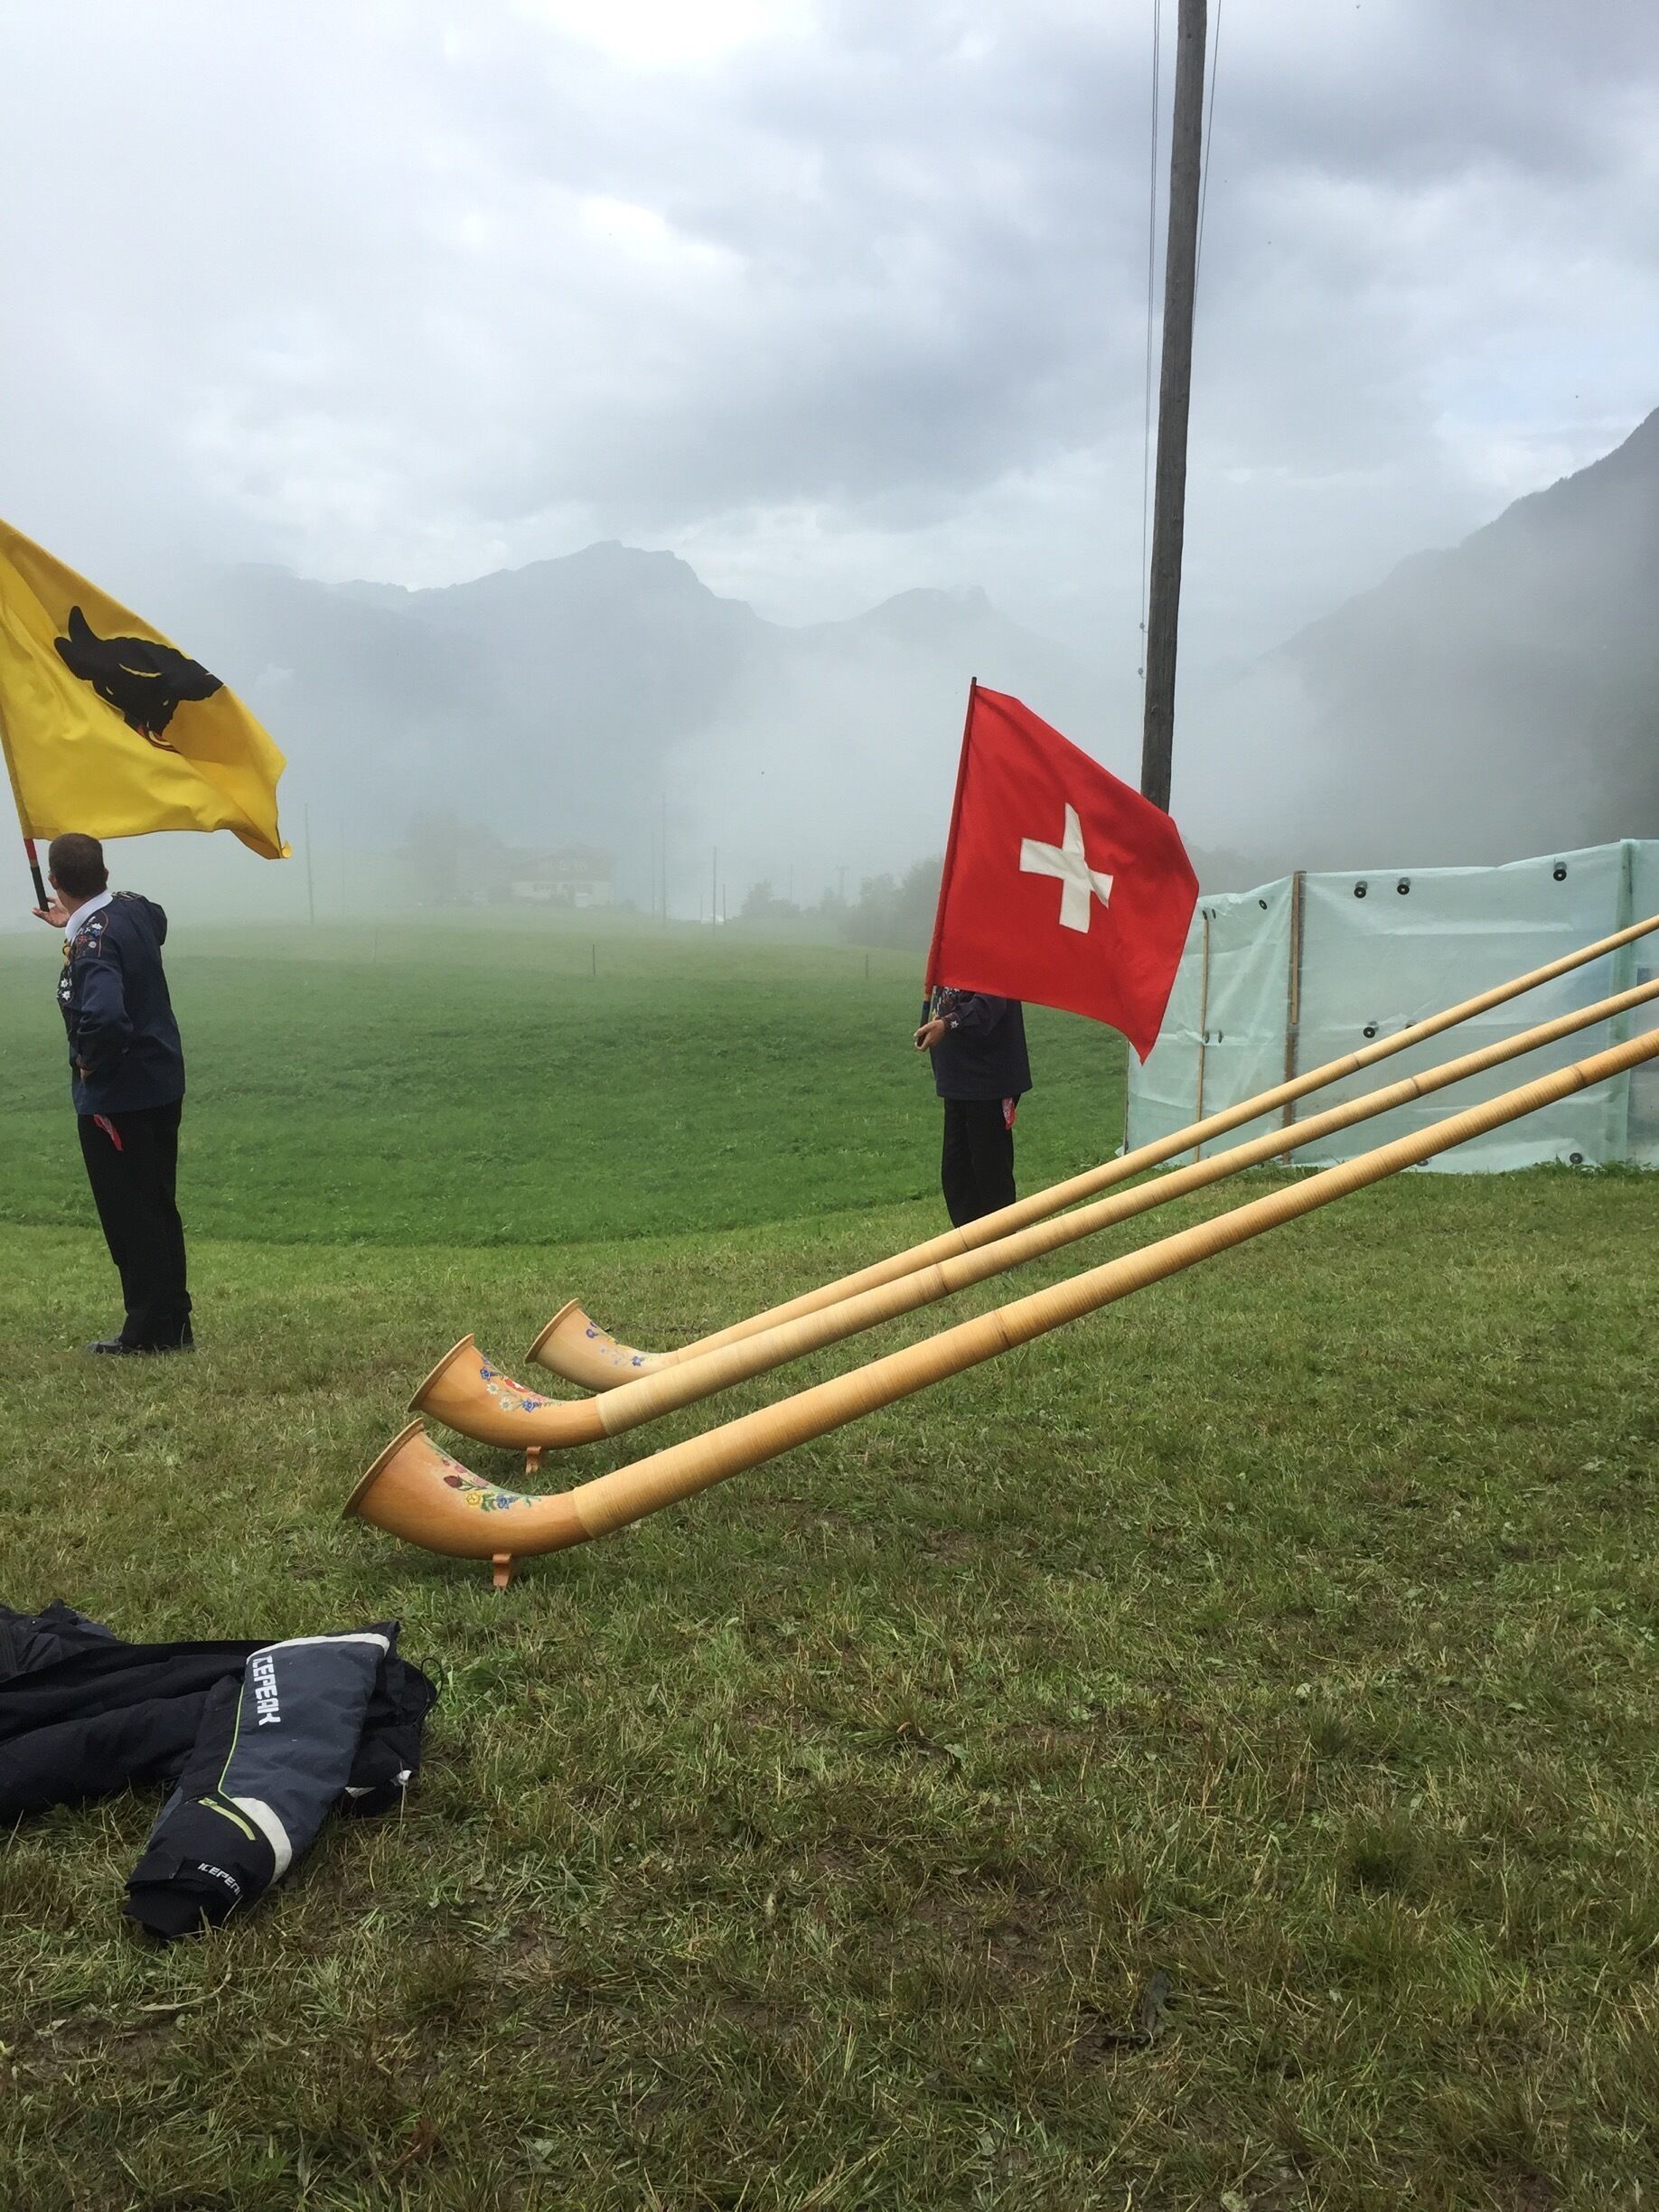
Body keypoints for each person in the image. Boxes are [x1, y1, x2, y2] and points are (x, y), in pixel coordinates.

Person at [33, 833, 193, 1354]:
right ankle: (172, 1324)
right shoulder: (130, 910)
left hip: (118, 1098)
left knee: (131, 1216)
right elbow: (156, 918)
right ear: (104, 874)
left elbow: (103, 1017)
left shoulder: (93, 943)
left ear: (54, 881)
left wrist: (88, 1061)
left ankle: (147, 1333)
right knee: (157, 1207)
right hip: (160, 1082)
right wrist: (78, 919)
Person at [914, 987, 1032, 1227]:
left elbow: (991, 1004)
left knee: (990, 1172)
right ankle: (969, 1242)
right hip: (956, 1079)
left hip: (988, 1079)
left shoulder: (994, 961)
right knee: (957, 1174)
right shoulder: (949, 961)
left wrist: (947, 1024)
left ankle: (1001, 1242)